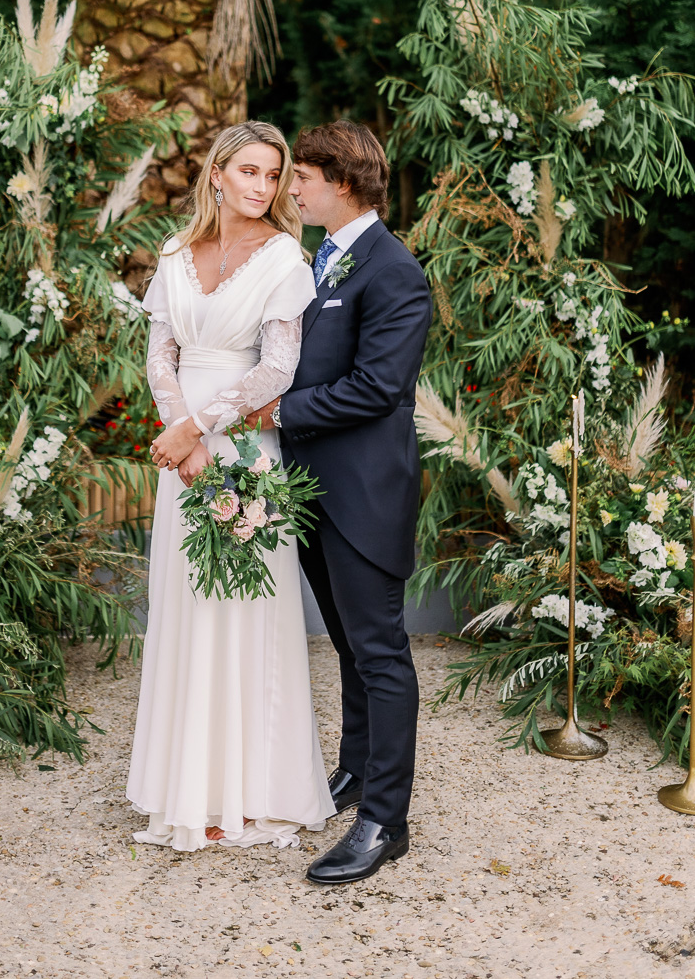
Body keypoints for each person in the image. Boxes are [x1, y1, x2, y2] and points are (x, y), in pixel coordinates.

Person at [126, 121, 335, 851]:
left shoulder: (284, 257)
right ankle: (189, 787)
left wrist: (202, 429)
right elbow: (160, 354)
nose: (261, 186)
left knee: (244, 608)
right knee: (185, 606)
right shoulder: (176, 254)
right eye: (248, 171)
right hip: (181, 454)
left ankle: (253, 791)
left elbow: (278, 368)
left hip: (243, 448)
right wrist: (178, 431)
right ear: (216, 174)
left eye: (273, 175)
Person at [249, 121, 432, 885]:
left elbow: (379, 387)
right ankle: (355, 772)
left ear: (343, 185)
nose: (292, 188)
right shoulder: (323, 262)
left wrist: (282, 412)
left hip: (364, 496)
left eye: (305, 178)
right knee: (352, 647)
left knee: (381, 653)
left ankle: (386, 821)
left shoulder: (393, 272)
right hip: (316, 492)